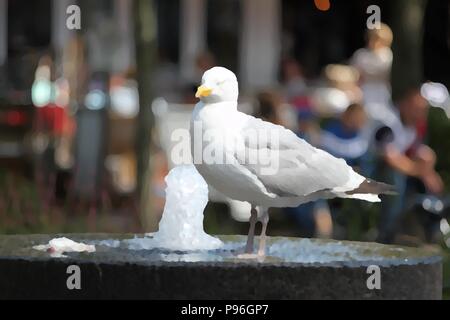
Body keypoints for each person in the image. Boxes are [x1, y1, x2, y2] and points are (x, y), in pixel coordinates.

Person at [372, 87, 444, 243]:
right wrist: (420, 172)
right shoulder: (387, 121)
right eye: (417, 109)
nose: (421, 113)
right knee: (394, 179)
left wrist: (428, 172)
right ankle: (385, 236)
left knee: (430, 185)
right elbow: (390, 158)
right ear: (405, 105)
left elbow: (420, 153)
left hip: (402, 169)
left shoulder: (415, 124)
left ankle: (432, 234)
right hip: (369, 168)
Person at [350, 23, 393, 119]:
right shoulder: (361, 55)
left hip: (382, 93)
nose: (373, 42)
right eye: (371, 38)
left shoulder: (389, 56)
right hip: (364, 92)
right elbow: (355, 76)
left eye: (377, 39)